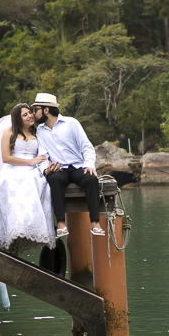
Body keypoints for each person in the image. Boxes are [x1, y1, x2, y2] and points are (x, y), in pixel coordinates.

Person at [0, 103, 56, 254]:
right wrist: (29, 162)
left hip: (33, 170)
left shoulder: (38, 133)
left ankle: (31, 227)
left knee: (40, 183)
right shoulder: (8, 132)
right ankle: (16, 229)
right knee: (13, 183)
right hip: (14, 168)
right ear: (17, 118)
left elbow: (45, 152)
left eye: (30, 113)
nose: (30, 116)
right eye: (25, 114)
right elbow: (6, 158)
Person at [31, 93, 104, 237]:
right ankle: (61, 223)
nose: (34, 114)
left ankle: (95, 223)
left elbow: (86, 147)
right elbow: (42, 155)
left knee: (91, 179)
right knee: (54, 179)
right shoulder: (40, 131)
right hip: (59, 169)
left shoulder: (72, 123)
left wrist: (89, 165)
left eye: (36, 109)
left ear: (46, 110)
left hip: (77, 167)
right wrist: (47, 169)